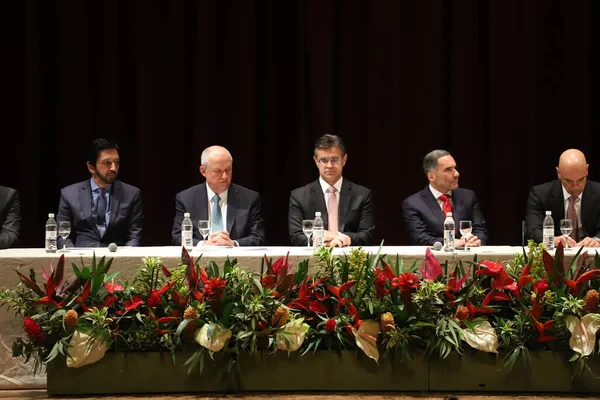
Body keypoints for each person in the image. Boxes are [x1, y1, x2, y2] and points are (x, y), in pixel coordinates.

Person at [288, 134, 374, 247]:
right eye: (324, 160)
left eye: (334, 159)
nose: (329, 165)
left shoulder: (362, 194)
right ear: (316, 161)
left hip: (350, 258)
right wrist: (328, 242)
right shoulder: (299, 196)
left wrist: (336, 237)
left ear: (344, 160)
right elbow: (296, 237)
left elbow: (367, 236)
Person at [171, 145, 265, 247]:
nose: (225, 176)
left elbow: (258, 237)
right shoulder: (186, 199)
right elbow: (178, 237)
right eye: (218, 171)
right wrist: (205, 244)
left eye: (228, 169)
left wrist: (233, 244)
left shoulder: (249, 198)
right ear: (203, 171)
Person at [57, 139, 143, 247]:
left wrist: (123, 259)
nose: (113, 168)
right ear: (91, 167)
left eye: (116, 162)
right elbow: (61, 235)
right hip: (81, 258)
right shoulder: (69, 194)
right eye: (107, 163)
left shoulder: (132, 194)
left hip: (117, 256)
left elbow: (134, 236)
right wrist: (74, 258)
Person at [402, 149, 487, 247]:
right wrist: (452, 243)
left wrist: (476, 241)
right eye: (448, 170)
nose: (456, 174)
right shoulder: (414, 203)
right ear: (431, 177)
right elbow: (420, 238)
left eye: (455, 168)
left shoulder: (468, 196)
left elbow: (480, 229)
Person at [525, 149, 600, 248]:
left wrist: (597, 240)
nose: (575, 186)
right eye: (569, 181)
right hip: (554, 256)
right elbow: (533, 230)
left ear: (587, 170)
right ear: (558, 173)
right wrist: (552, 240)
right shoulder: (540, 194)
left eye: (581, 180)